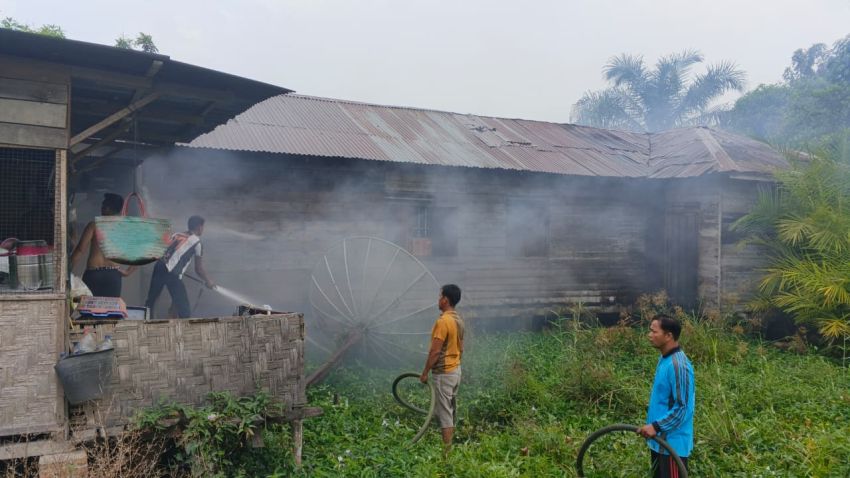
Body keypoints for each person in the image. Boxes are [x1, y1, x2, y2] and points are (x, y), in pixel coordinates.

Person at [637, 314, 695, 478]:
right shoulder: (664, 359)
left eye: (654, 331)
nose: (650, 335)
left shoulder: (678, 366)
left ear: (669, 335)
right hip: (659, 441)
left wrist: (655, 426)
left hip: (672, 445)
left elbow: (683, 408)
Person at [420, 284, 465, 456]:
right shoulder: (459, 320)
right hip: (456, 370)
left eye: (440, 296)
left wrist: (425, 373)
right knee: (448, 409)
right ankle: (448, 445)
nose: (438, 300)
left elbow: (435, 351)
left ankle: (446, 455)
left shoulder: (443, 321)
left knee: (445, 413)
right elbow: (461, 348)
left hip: (444, 374)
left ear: (445, 299)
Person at [145, 215, 215, 319]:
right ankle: (186, 332)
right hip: (172, 273)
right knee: (184, 310)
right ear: (200, 227)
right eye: (203, 227)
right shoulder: (197, 242)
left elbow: (166, 252)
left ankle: (146, 323)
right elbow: (198, 269)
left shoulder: (176, 234)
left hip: (159, 266)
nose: (203, 230)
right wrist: (208, 281)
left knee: (151, 300)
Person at [69, 193, 135, 297]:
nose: (101, 208)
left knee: (89, 308)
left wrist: (67, 270)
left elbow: (80, 250)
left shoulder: (94, 225)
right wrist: (128, 272)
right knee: (110, 309)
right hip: (113, 276)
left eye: (103, 205)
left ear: (108, 208)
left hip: (94, 275)